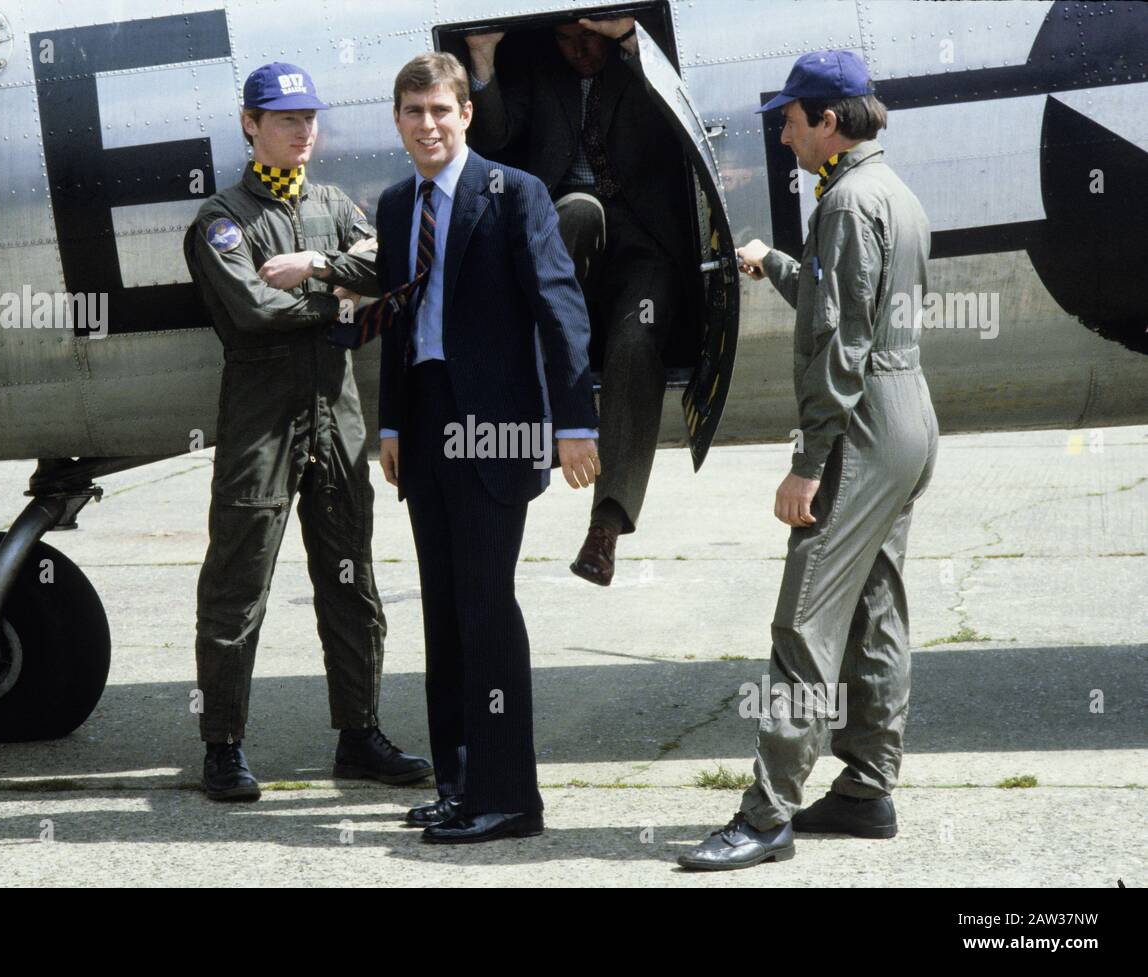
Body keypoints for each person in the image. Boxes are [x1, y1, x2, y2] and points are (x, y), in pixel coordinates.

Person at [679, 50, 938, 870]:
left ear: (830, 120)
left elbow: (837, 343)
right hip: (908, 414)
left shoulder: (844, 203)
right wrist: (780, 265)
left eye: (792, 118)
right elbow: (853, 309)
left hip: (858, 426)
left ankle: (766, 815)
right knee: (876, 608)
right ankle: (867, 787)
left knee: (805, 620)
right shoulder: (890, 192)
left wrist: (809, 460)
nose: (784, 133)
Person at [354, 51, 598, 843]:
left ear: (466, 114)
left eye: (441, 110)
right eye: (414, 111)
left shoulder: (514, 194)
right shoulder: (396, 205)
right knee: (444, 609)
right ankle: (458, 779)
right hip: (424, 429)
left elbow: (559, 306)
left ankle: (509, 798)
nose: (428, 124)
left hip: (496, 430)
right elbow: (395, 324)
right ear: (398, 121)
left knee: (488, 608)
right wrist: (390, 425)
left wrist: (574, 424)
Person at [182, 62, 431, 802]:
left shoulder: (332, 204)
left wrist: (319, 268)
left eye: (309, 118)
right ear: (250, 125)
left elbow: (389, 269)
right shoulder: (222, 218)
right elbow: (255, 311)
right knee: (237, 585)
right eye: (285, 118)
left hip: (338, 417)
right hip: (261, 425)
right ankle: (222, 744)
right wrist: (341, 303)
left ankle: (359, 733)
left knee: (351, 579)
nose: (302, 130)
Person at [464, 15, 691, 587]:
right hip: (570, 242)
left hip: (645, 248)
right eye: (566, 39)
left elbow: (675, 115)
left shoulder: (635, 71)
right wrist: (484, 59)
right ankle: (544, 386)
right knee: (578, 210)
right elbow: (491, 135)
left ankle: (606, 527)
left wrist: (630, 41)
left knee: (637, 344)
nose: (579, 50)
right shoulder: (541, 75)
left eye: (589, 37)